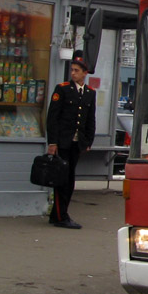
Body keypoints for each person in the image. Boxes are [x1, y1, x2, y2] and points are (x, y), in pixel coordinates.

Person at [45, 51, 96, 229]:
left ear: (85, 73)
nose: (73, 73)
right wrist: (52, 142)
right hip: (62, 143)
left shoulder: (89, 93)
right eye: (72, 70)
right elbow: (52, 118)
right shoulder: (63, 89)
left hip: (76, 143)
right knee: (62, 179)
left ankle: (57, 215)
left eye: (76, 70)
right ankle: (61, 216)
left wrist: (88, 141)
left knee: (70, 179)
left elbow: (90, 119)